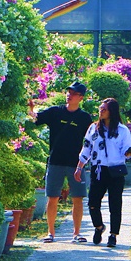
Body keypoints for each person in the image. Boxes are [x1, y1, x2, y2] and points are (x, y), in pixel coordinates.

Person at [31, 81, 93, 243]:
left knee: (77, 198)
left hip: (76, 164)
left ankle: (76, 233)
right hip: (55, 162)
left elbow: (91, 140)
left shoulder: (85, 118)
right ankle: (50, 233)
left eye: (73, 93)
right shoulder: (55, 112)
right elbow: (36, 118)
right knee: (52, 197)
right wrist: (30, 110)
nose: (69, 95)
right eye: (68, 92)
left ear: (81, 97)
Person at [75, 97, 131, 248]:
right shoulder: (93, 128)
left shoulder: (122, 131)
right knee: (93, 202)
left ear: (112, 112)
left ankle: (113, 235)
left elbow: (125, 150)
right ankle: (99, 227)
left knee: (115, 203)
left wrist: (129, 154)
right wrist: (79, 167)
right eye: (100, 108)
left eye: (104, 109)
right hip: (98, 169)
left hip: (116, 170)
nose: (101, 111)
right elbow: (87, 148)